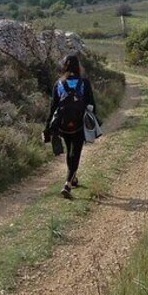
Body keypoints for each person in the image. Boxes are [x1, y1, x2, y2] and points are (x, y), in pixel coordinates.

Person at [44, 54, 97, 199]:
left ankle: (73, 178)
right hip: (79, 123)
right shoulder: (84, 82)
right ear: (78, 66)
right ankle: (67, 183)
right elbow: (91, 104)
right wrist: (94, 121)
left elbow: (53, 107)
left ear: (64, 67)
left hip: (63, 125)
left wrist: (48, 126)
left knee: (69, 151)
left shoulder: (59, 84)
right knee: (76, 152)